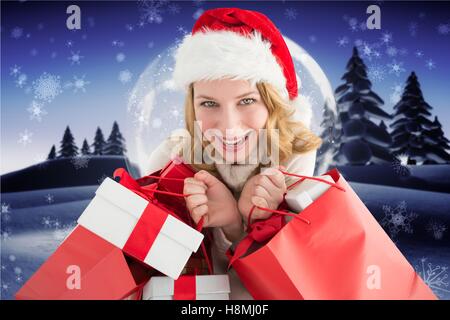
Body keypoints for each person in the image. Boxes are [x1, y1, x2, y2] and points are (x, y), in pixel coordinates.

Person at [146, 7, 322, 299]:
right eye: (209, 104)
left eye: (247, 100)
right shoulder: (170, 161)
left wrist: (247, 229)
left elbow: (296, 288)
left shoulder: (295, 163)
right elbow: (146, 275)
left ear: (273, 103)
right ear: (193, 106)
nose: (228, 127)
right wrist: (225, 224)